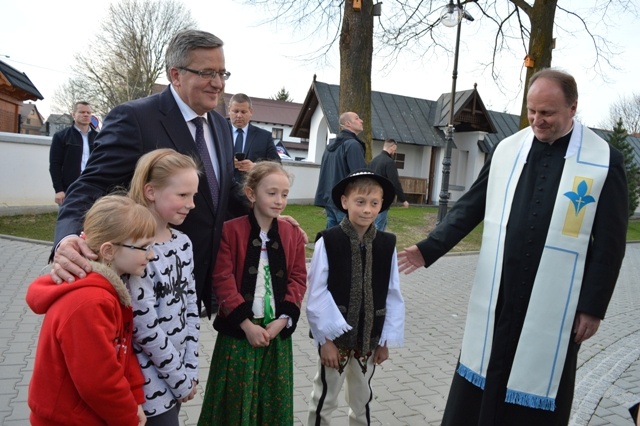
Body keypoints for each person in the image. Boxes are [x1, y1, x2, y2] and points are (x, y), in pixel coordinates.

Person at [398, 68, 628, 425]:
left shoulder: (602, 160)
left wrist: (593, 307)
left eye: (548, 113)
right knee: (481, 376)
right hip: (501, 294)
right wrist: (428, 248)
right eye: (532, 110)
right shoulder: (509, 149)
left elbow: (610, 244)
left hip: (556, 302)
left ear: (573, 108)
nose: (537, 120)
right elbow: (472, 205)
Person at [49, 30, 247, 317]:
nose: (218, 84)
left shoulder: (220, 124)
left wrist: (265, 214)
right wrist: (66, 239)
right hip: (144, 285)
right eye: (206, 73)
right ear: (176, 75)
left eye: (222, 73)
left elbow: (222, 191)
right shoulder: (134, 119)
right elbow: (91, 185)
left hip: (196, 278)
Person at [26, 195, 155, 426]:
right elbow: (98, 381)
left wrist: (135, 398)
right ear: (108, 251)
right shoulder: (91, 301)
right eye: (144, 247)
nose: (152, 255)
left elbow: (121, 352)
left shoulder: (109, 289)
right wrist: (128, 418)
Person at [198, 161, 307, 425]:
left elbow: (298, 278)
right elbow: (222, 279)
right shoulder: (230, 230)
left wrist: (282, 320)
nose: (279, 200)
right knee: (235, 402)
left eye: (284, 194)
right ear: (251, 194)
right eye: (271, 193)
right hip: (239, 335)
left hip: (275, 335)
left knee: (272, 401)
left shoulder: (293, 234)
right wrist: (246, 325)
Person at [306, 169, 405, 425]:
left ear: (381, 205)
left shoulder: (386, 244)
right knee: (325, 399)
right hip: (334, 341)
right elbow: (316, 292)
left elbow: (392, 293)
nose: (367, 210)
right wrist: (324, 339)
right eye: (360, 202)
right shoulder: (328, 241)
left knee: (362, 401)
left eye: (374, 203)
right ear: (345, 202)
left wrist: (384, 341)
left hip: (368, 340)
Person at [127, 149, 200, 425]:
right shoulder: (136, 252)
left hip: (179, 374)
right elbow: (143, 327)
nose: (192, 203)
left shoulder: (183, 242)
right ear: (151, 191)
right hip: (150, 386)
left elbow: (191, 306)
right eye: (183, 195)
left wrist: (190, 368)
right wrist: (180, 379)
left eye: (193, 195)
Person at [314, 111, 367, 228]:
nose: (361, 121)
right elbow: (359, 176)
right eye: (357, 118)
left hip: (330, 199)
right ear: (348, 123)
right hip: (345, 201)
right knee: (347, 238)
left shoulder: (330, 146)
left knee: (331, 237)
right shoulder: (352, 145)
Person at [48, 101, 98, 206]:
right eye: (82, 112)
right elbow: (55, 165)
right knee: (69, 221)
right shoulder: (61, 137)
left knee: (93, 221)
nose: (86, 115)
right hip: (70, 189)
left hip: (94, 187)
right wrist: (59, 190)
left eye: (88, 113)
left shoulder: (99, 137)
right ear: (73, 114)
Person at [228, 93, 281, 182]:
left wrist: (255, 167)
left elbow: (277, 165)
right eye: (236, 111)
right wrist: (228, 163)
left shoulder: (264, 137)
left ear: (251, 112)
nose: (239, 115)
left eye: (243, 112)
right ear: (229, 110)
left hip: (250, 190)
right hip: (222, 190)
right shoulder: (218, 131)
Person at [368, 138, 410, 231]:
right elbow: (395, 182)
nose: (394, 152)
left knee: (373, 225)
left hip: (371, 197)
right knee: (379, 227)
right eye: (395, 150)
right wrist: (403, 200)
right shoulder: (389, 162)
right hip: (383, 199)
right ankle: (376, 245)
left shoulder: (374, 160)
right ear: (392, 147)